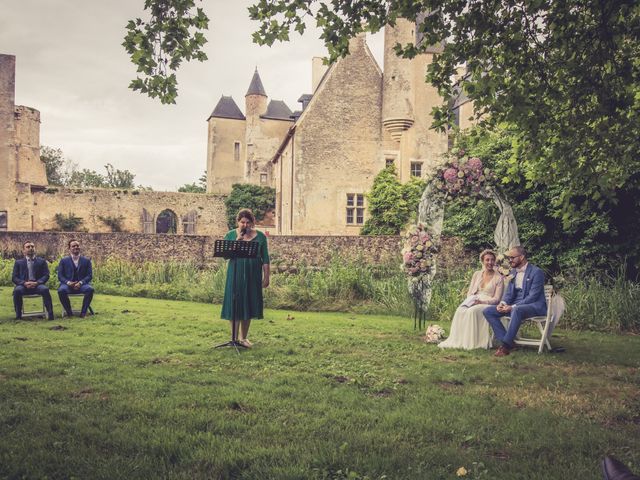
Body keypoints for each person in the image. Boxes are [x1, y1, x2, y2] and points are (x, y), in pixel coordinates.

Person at [483, 245, 546, 357]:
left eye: (512, 258)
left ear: (521, 257)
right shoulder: (513, 272)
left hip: (534, 306)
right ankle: (508, 341)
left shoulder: (537, 272)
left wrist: (512, 307)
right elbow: (509, 294)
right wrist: (503, 303)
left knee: (516, 309)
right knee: (488, 311)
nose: (510, 260)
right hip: (516, 307)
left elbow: (533, 297)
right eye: (509, 258)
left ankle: (505, 346)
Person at [220, 209, 270, 347]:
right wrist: (236, 242)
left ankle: (244, 338)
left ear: (252, 223)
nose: (245, 225)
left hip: (253, 273)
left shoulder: (260, 237)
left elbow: (265, 258)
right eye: (242, 222)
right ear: (238, 222)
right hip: (235, 272)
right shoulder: (230, 235)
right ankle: (234, 338)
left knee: (248, 302)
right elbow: (225, 256)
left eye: (248, 222)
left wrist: (266, 277)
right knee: (235, 302)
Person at [438, 249, 504, 350]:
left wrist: (481, 302)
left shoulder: (498, 278)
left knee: (472, 312)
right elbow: (470, 291)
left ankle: (474, 342)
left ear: (495, 261)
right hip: (474, 299)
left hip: (487, 303)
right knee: (460, 310)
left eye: (492, 260)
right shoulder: (477, 274)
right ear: (482, 261)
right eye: (487, 260)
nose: (490, 262)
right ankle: (460, 340)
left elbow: (497, 299)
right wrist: (470, 300)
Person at [12, 241, 54, 320]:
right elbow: (14, 277)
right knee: (17, 290)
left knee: (45, 289)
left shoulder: (42, 261)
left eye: (32, 246)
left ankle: (50, 313)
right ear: (23, 250)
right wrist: (24, 283)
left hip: (38, 285)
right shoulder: (18, 263)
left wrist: (37, 282)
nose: (31, 248)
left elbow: (46, 275)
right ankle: (18, 315)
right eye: (28, 247)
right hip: (24, 286)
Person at [57, 239, 94, 317]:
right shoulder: (63, 261)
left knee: (90, 289)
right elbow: (60, 276)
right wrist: (68, 283)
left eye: (77, 246)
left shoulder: (86, 260)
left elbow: (89, 275)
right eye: (73, 246)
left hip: (82, 285)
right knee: (61, 291)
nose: (76, 247)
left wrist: (80, 283)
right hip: (67, 285)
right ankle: (69, 313)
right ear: (69, 248)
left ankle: (83, 313)